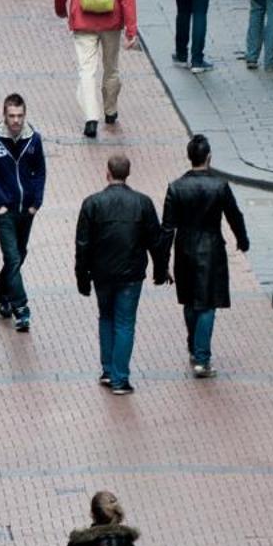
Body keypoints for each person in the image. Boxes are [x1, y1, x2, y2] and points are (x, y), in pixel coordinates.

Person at [74, 153, 166, 394]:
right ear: (128, 173)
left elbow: (82, 244)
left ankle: (107, 370)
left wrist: (82, 277)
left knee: (106, 318)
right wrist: (160, 269)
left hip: (101, 274)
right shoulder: (143, 203)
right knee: (125, 323)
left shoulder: (92, 204)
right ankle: (120, 377)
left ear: (107, 173)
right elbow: (155, 241)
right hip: (131, 274)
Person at [157, 134, 248, 378]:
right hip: (211, 248)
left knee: (189, 300)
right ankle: (202, 357)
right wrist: (242, 240)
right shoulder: (219, 186)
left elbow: (166, 229)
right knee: (207, 303)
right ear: (209, 157)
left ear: (189, 157)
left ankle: (194, 345)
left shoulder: (175, 187)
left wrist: (161, 263)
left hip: (184, 248)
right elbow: (234, 215)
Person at [53, 0, 138, 139]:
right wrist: (131, 29)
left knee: (86, 70)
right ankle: (110, 111)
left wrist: (61, 10)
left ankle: (91, 118)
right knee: (111, 68)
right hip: (111, 21)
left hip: (83, 21)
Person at [0, 93, 46, 330]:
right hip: (4, 211)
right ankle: (21, 308)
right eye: (11, 116)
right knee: (13, 257)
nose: (16, 121)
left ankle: (2, 295)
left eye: (20, 115)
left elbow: (40, 171)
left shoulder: (33, 139)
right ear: (4, 115)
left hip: (26, 210)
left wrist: (36, 202)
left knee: (20, 255)